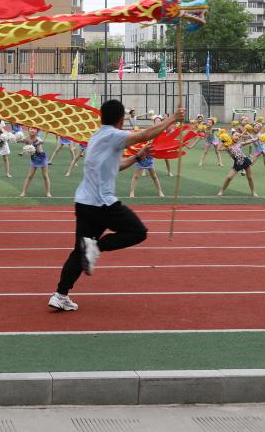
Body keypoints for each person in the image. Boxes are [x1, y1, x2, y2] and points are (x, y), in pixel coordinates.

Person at [48, 100, 184, 312]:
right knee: (138, 232)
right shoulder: (113, 135)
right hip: (103, 204)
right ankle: (96, 247)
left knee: (79, 252)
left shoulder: (97, 137)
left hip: (84, 203)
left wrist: (138, 157)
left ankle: (60, 294)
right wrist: (173, 119)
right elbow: (144, 135)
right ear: (121, 119)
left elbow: (115, 166)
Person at [129, 116, 166, 198]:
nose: (158, 122)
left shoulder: (159, 132)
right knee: (136, 176)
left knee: (154, 176)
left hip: (149, 158)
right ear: (154, 122)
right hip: (141, 157)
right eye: (157, 120)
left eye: (159, 120)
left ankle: (160, 191)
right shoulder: (151, 131)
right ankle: (132, 192)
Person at [217, 130, 260, 198]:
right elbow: (219, 149)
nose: (237, 137)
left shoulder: (239, 144)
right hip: (237, 163)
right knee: (229, 177)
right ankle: (222, 191)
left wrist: (257, 138)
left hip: (245, 161)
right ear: (231, 136)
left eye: (239, 136)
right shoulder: (228, 146)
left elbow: (249, 141)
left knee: (250, 177)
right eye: (236, 135)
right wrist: (223, 140)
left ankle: (253, 192)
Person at [18, 128, 53, 198]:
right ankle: (23, 192)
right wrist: (16, 139)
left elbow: (39, 145)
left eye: (34, 129)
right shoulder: (27, 139)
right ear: (28, 130)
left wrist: (38, 143)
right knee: (30, 176)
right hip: (34, 159)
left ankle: (48, 193)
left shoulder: (38, 138)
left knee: (45, 176)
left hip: (42, 158)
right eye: (31, 129)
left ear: (37, 131)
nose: (32, 130)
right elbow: (21, 142)